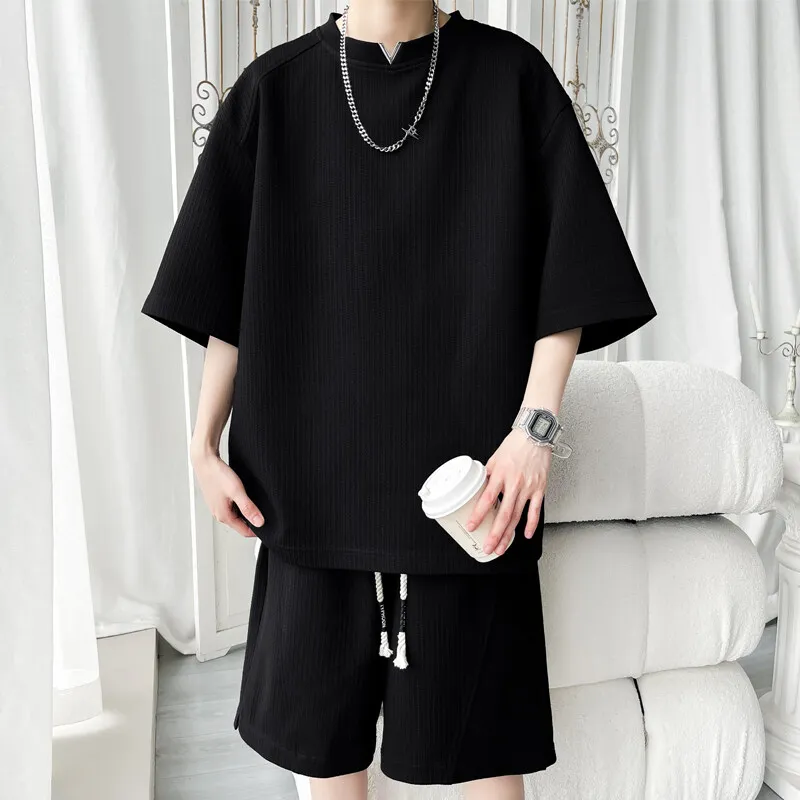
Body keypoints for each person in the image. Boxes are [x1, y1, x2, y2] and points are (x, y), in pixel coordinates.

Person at [141, 1, 657, 797]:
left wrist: (535, 431)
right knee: (325, 755)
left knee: (485, 756)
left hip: (472, 491)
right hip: (309, 488)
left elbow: (572, 272)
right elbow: (226, 297)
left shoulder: (512, 79)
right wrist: (202, 446)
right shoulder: (273, 92)